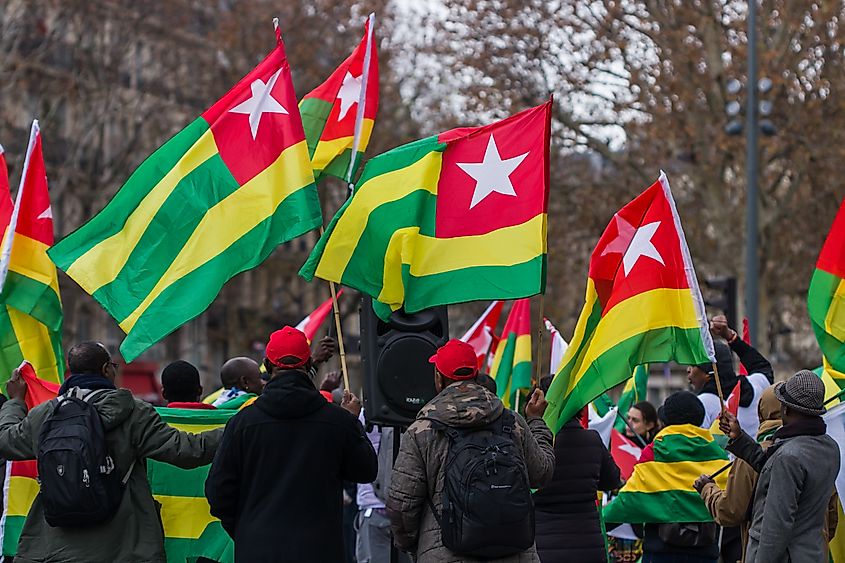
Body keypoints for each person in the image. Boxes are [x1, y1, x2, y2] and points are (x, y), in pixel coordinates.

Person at [0, 341, 222, 563]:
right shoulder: (134, 413)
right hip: (124, 548)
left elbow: (6, 441)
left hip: (54, 547)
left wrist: (16, 401)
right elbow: (188, 450)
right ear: (107, 369)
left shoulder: (46, 414)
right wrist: (238, 427)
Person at [205, 326, 377, 562]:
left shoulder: (242, 424)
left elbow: (218, 493)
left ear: (267, 364)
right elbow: (366, 469)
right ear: (308, 365)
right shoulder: (338, 421)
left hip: (258, 549)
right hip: (319, 550)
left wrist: (245, 531)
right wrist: (352, 421)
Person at [387, 339, 556, 562]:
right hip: (513, 552)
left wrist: (415, 546)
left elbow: (402, 505)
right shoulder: (511, 421)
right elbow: (542, 473)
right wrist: (536, 422)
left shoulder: (422, 431)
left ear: (438, 378)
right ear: (476, 374)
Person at [719, 370, 840, 562]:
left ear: (787, 410)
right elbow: (773, 465)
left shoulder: (789, 457)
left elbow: (775, 528)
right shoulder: (829, 447)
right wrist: (740, 438)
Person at [533, 406, 623, 562]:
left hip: (543, 545)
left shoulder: (534, 442)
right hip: (587, 544)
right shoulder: (592, 439)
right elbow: (612, 480)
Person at [641, 391, 719, 563]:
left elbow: (638, 496)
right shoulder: (717, 454)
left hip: (660, 550)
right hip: (705, 550)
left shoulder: (653, 452)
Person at [687, 315, 773, 434]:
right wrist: (730, 337)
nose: (688, 370)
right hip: (758, 452)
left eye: (693, 365)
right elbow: (761, 365)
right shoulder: (756, 385)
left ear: (709, 373)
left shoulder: (702, 404)